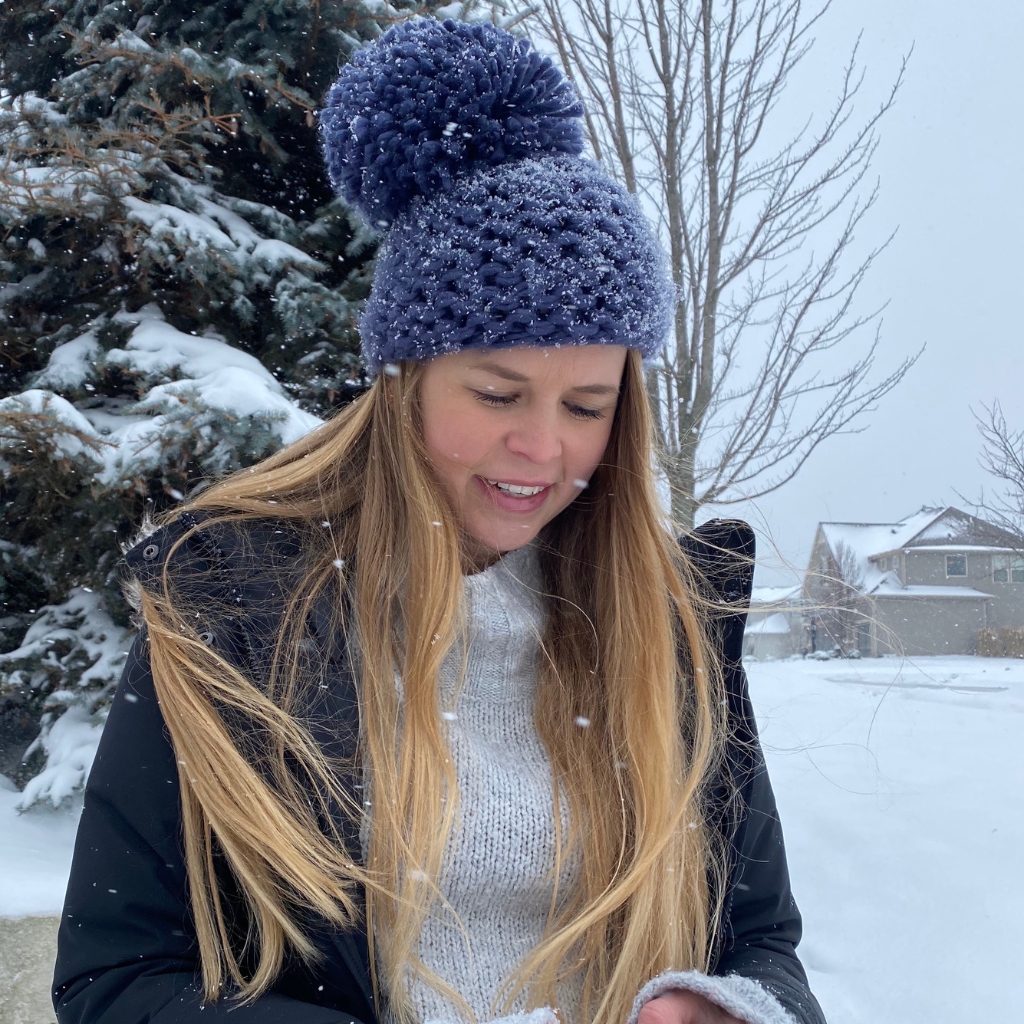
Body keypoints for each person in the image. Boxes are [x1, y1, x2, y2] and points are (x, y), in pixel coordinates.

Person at [52, 18, 825, 1024]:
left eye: (586, 406)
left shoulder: (672, 622)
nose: (542, 448)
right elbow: (117, 981)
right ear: (403, 380)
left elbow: (761, 942)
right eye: (498, 394)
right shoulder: (232, 611)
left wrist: (732, 1008)